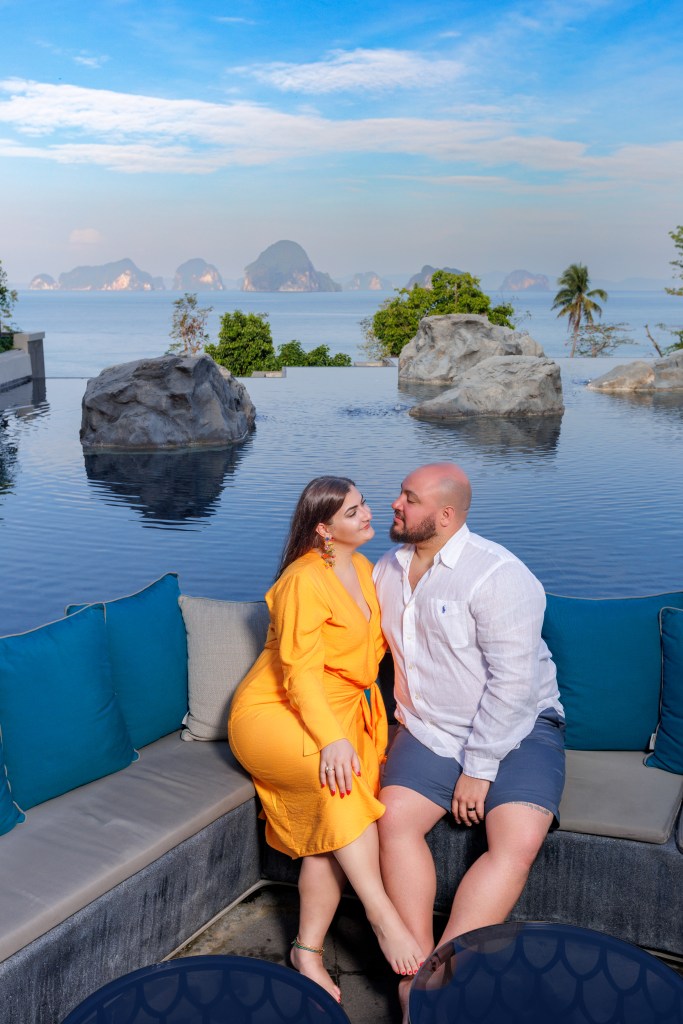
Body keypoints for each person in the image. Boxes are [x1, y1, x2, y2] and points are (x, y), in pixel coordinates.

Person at [373, 462, 565, 1015]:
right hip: (432, 729)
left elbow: (513, 686)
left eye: (408, 498)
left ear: (445, 515)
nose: (396, 504)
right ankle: (415, 970)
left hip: (520, 726)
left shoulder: (499, 575)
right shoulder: (387, 568)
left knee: (518, 839)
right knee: (392, 818)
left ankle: (446, 970)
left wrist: (480, 769)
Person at [228, 476, 423, 1003]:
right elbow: (298, 675)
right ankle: (382, 916)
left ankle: (306, 952)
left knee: (332, 827)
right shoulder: (302, 581)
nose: (369, 513)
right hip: (275, 715)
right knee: (336, 787)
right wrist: (332, 738)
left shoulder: (361, 567)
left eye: (363, 505)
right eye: (354, 510)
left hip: (344, 716)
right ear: (323, 528)